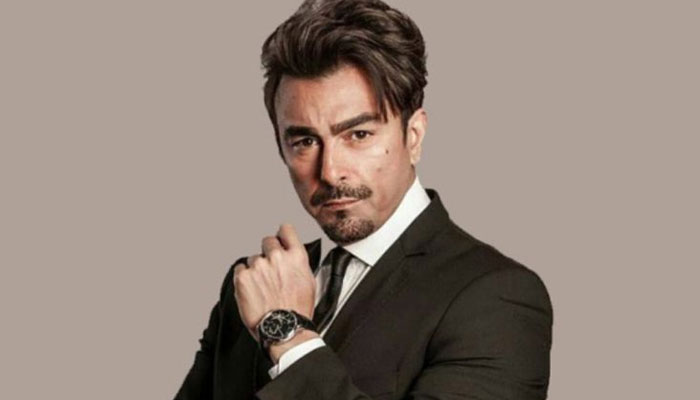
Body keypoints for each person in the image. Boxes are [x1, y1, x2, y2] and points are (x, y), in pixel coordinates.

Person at [174, 0, 552, 399]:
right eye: (304, 141)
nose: (330, 171)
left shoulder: (495, 296)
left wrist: (286, 332)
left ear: (413, 136)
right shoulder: (251, 284)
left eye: (358, 135)